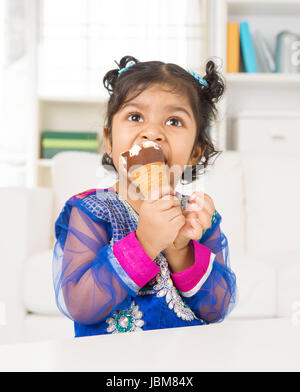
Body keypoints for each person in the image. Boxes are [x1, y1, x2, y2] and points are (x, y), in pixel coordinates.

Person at [53, 55, 237, 338]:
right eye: (135, 117)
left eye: (174, 121)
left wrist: (182, 250)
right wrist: (146, 243)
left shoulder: (197, 217)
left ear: (195, 152)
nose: (153, 132)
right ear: (110, 141)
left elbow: (218, 308)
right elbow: (79, 304)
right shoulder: (91, 211)